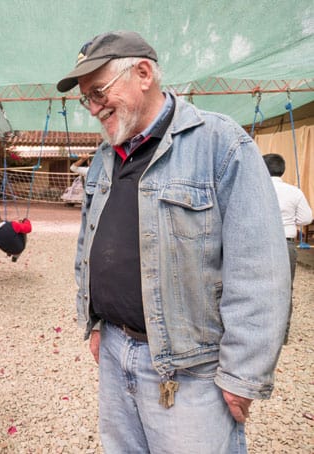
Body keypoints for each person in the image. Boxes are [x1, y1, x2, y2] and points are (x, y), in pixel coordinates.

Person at [57, 30, 290, 452]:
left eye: (99, 92)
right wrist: (94, 321)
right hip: (114, 351)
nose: (93, 107)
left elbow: (260, 268)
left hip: (190, 368)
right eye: (86, 98)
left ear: (143, 73)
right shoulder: (106, 156)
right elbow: (87, 245)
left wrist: (243, 373)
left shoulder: (221, 144)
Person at [263, 153, 312, 343]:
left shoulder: (255, 189)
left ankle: (258, 331)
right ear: (282, 169)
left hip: (259, 243)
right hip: (285, 243)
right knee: (284, 288)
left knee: (255, 285)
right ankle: (282, 335)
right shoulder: (294, 192)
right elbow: (306, 219)